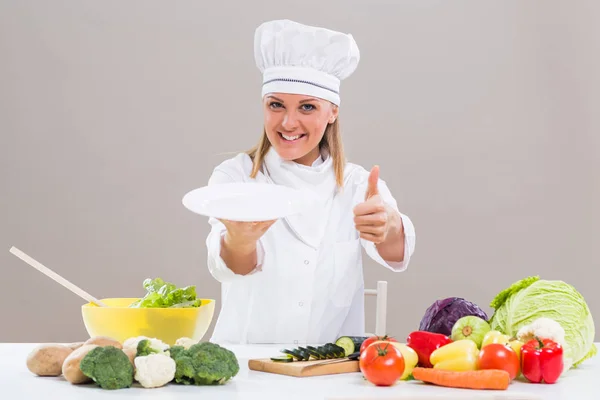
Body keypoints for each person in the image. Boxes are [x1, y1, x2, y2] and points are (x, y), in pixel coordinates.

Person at [205, 19, 416, 345]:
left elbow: (395, 251)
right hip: (246, 368)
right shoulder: (236, 177)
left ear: (332, 111)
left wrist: (387, 226)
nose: (289, 123)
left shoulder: (358, 184)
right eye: (276, 105)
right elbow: (233, 266)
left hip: (329, 371)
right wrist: (240, 241)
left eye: (307, 107)